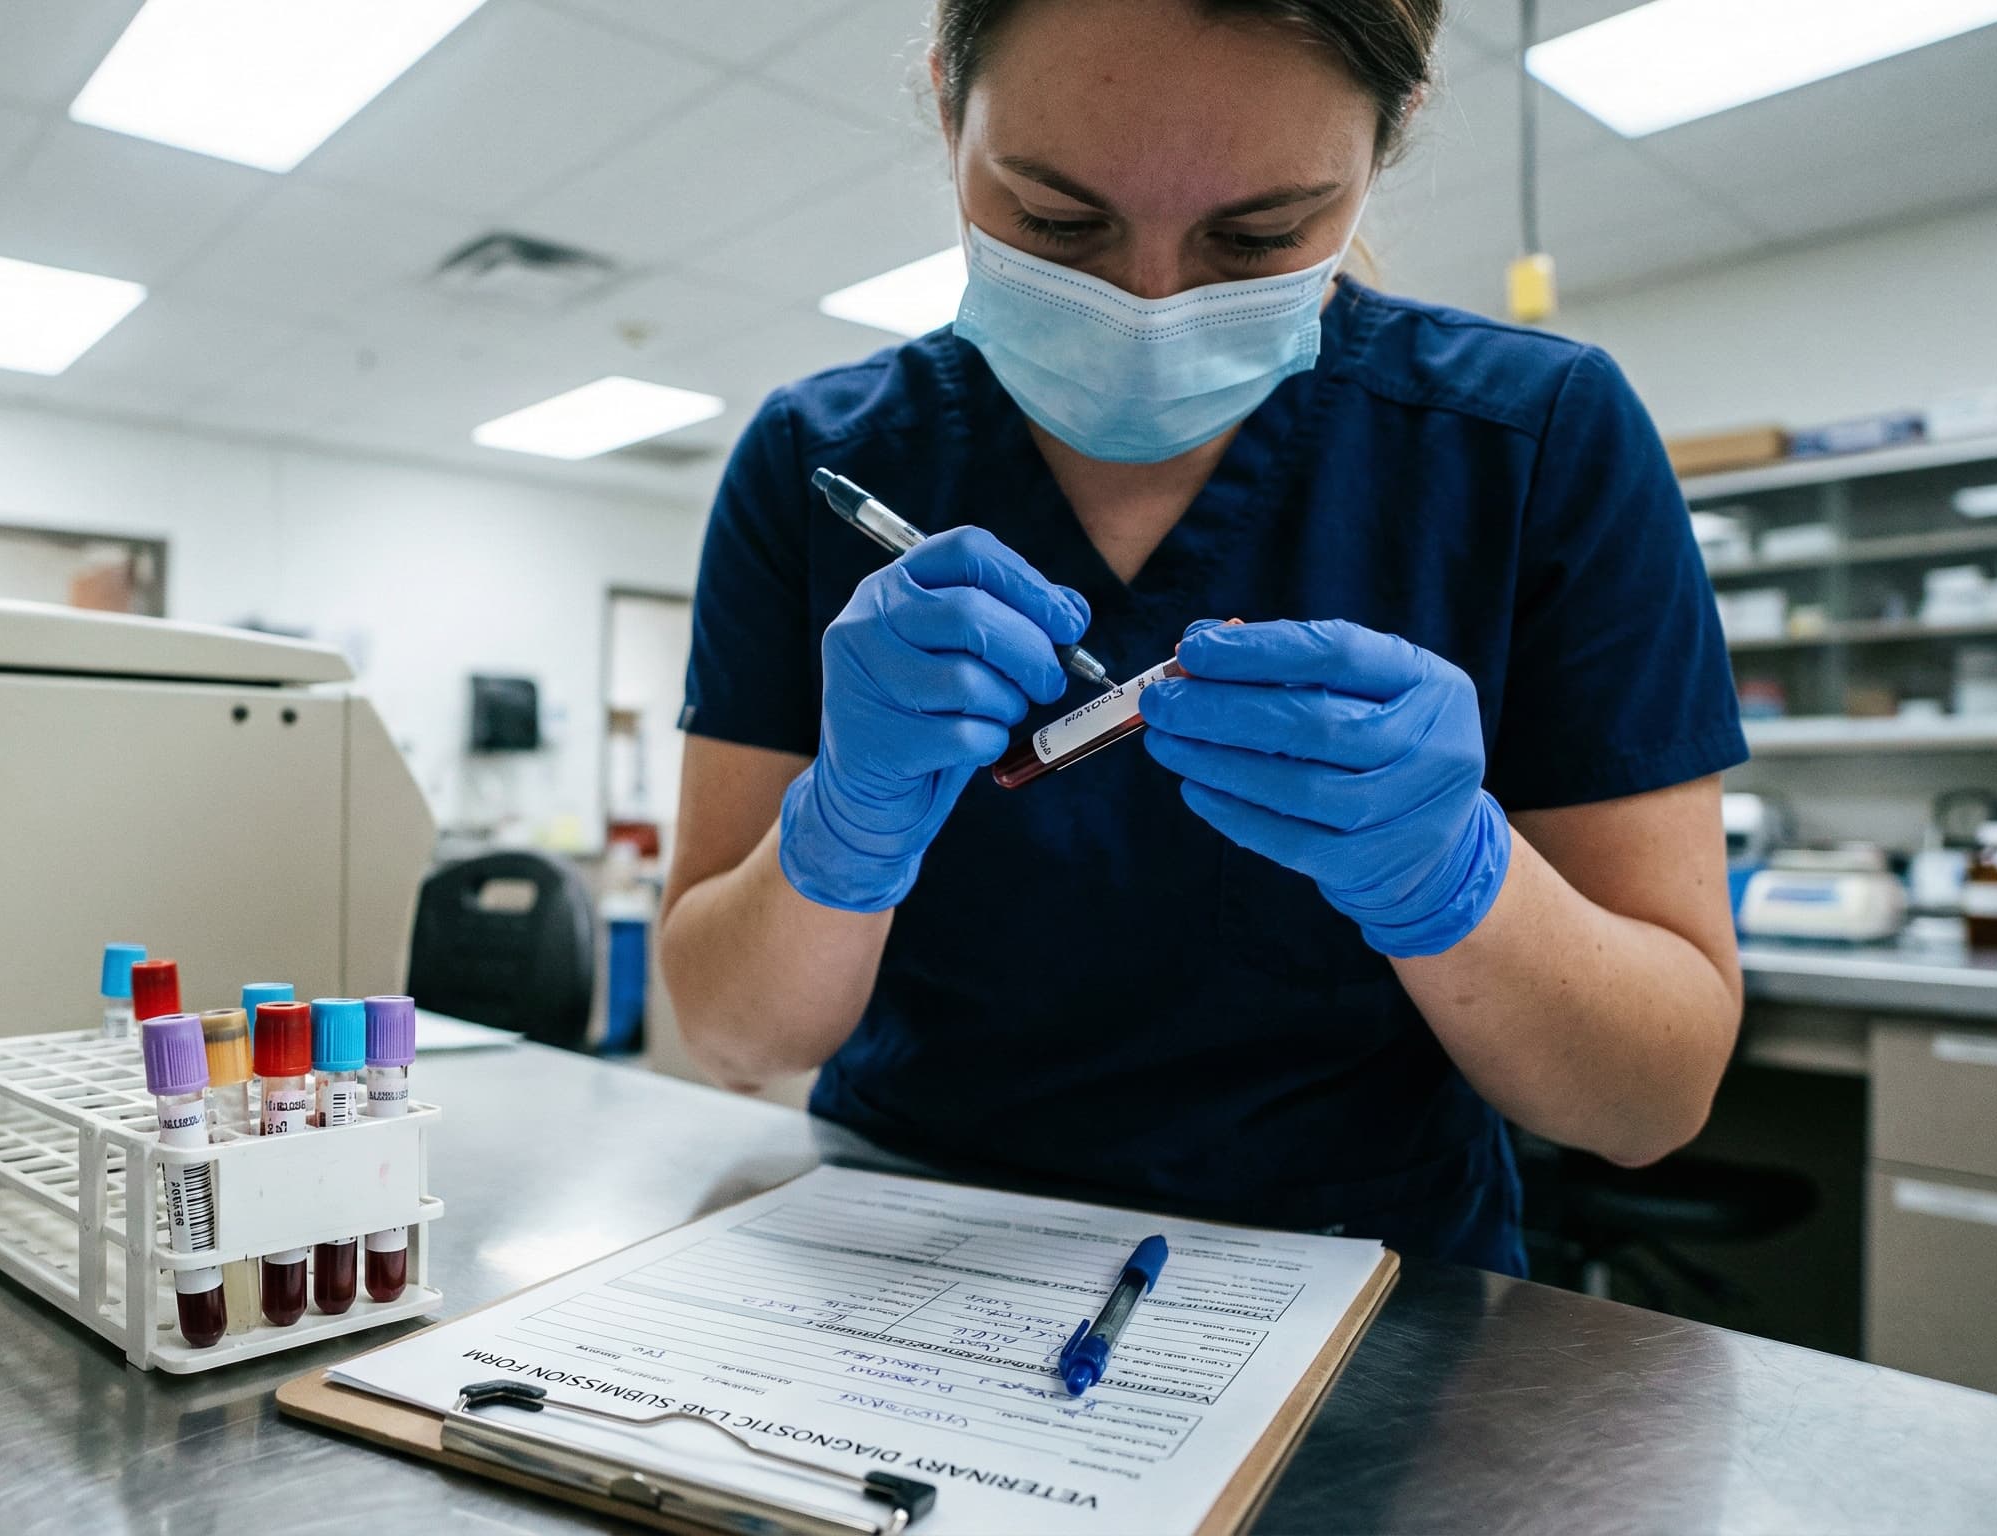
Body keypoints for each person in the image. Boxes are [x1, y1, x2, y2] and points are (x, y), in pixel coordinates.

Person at [659, 0, 1746, 1274]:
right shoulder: (819, 461)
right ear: (951, 109)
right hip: (903, 1247)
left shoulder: (1535, 440)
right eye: (1058, 222)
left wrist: (1457, 881)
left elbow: (1648, 1105)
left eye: (1257, 236)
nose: (1150, 306)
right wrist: (841, 830)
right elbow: (734, 1042)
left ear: (1381, 149)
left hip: (1364, 1281)